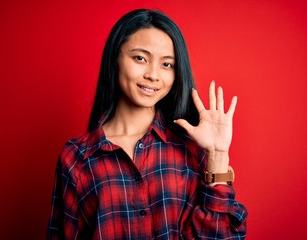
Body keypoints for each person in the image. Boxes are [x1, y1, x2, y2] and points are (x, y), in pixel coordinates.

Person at [47, 8, 247, 239]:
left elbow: (222, 236)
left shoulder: (191, 148)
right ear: (115, 58)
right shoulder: (76, 157)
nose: (153, 75)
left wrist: (218, 155)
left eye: (167, 65)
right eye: (140, 58)